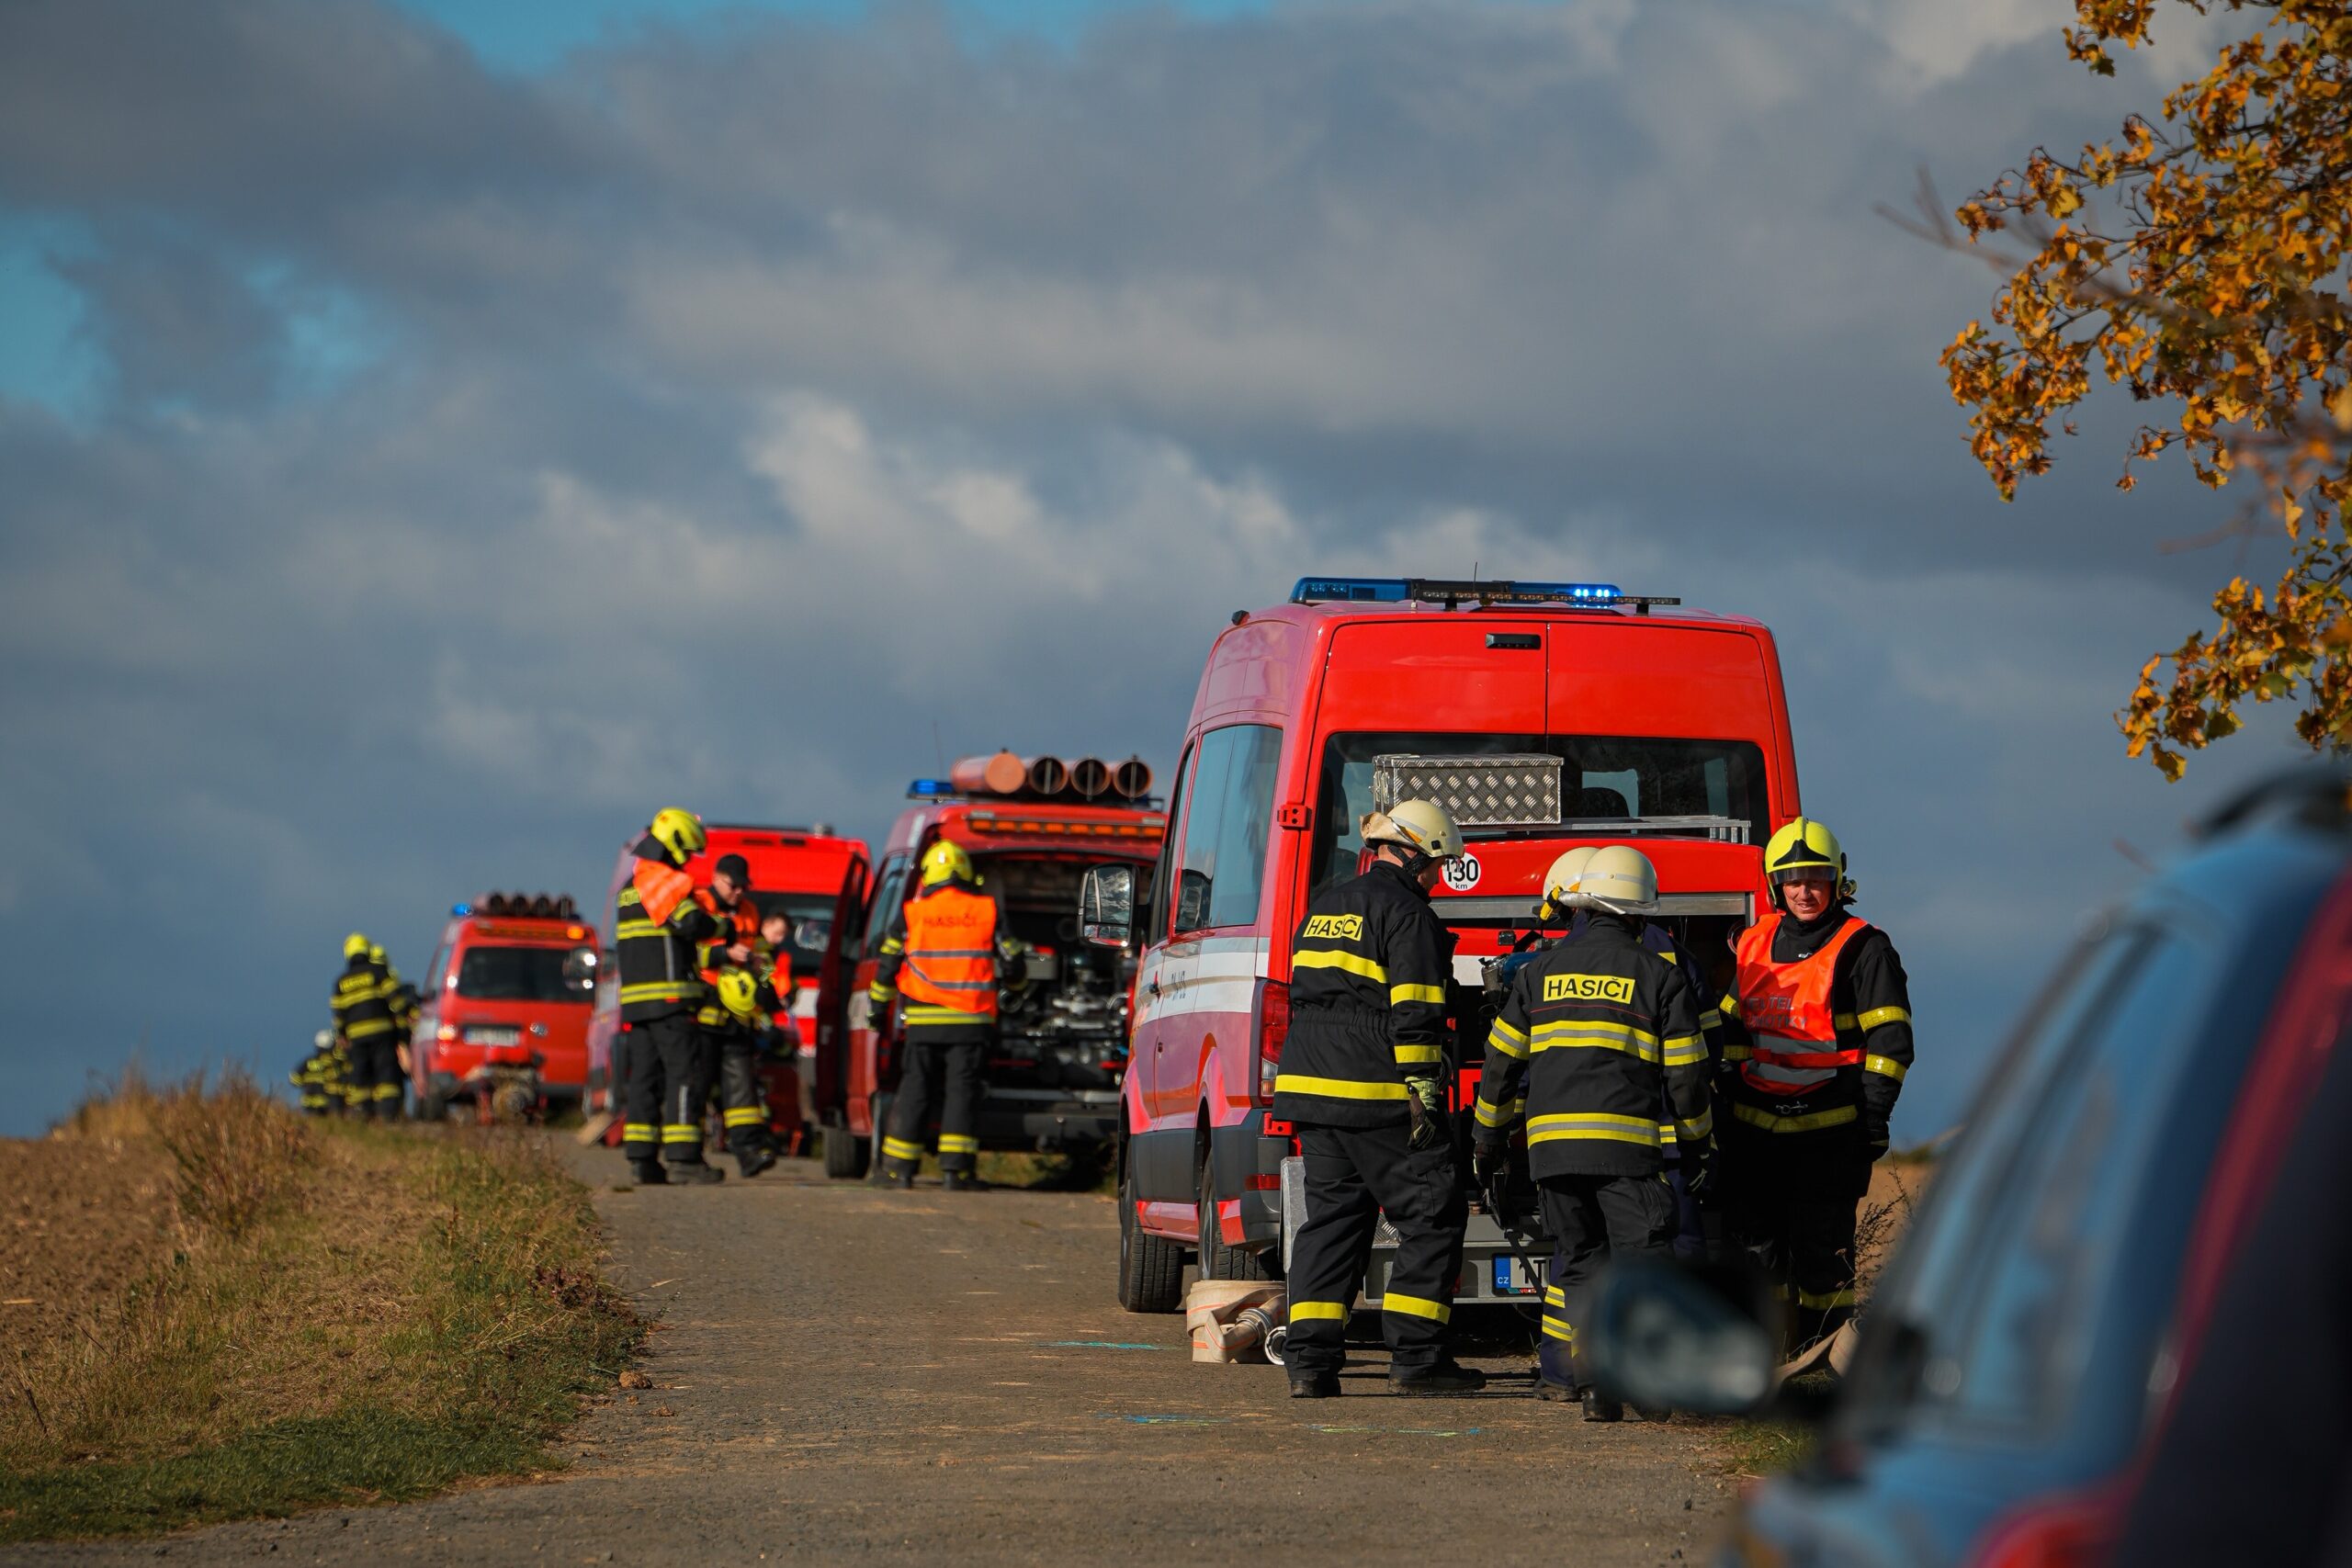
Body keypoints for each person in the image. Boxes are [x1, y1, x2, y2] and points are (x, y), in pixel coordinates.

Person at [1474, 845, 1714, 1419]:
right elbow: (1687, 1075)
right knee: (1642, 1264)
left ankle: (1581, 1382)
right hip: (1626, 1152)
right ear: (1639, 911)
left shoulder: (1536, 973)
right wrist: (1698, 1143)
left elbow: (1499, 1067)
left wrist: (1486, 1143)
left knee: (1578, 1263)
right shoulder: (1660, 975)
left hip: (1552, 1154)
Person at [1272, 800, 1484, 1399]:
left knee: (1333, 1220)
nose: (1436, 878)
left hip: (1311, 1087)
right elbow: (1416, 1012)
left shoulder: (1326, 905)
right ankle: (1418, 1357)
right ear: (1414, 854)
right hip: (1374, 1089)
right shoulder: (1406, 912)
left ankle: (1310, 1362)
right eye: (1435, 865)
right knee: (1432, 1211)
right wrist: (1423, 1094)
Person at [1717, 817, 1913, 1351]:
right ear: (1775, 884)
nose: (1805, 891)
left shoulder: (1865, 947)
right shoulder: (1754, 943)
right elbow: (1733, 1031)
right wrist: (1726, 1102)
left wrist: (1872, 1120)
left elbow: (1891, 1045)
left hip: (1830, 1134)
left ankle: (1822, 1359)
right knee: (1760, 1254)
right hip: (1756, 1135)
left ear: (1837, 880)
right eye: (1793, 880)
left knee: (1822, 1256)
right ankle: (1771, 1358)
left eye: (1816, 879)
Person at [868, 840, 1023, 1191]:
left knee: (915, 1090)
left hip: (923, 1021)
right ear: (966, 874)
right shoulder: (986, 909)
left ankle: (899, 1171)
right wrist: (1016, 984)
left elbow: (887, 966)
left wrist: (878, 1010)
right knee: (961, 1092)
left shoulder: (913, 912)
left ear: (928, 875)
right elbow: (1013, 959)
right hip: (971, 1020)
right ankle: (956, 1173)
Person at [616, 807, 727, 1185]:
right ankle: (684, 1159)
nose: (688, 861)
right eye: (688, 852)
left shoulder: (629, 887)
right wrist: (720, 924)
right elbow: (689, 923)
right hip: (669, 1000)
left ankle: (643, 1159)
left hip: (638, 1003)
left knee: (645, 1079)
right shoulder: (660, 880)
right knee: (686, 1075)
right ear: (676, 843)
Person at [696, 853, 777, 1179]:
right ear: (716, 877)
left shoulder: (750, 911)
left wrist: (760, 967)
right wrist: (722, 954)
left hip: (738, 1012)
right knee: (696, 1086)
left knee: (742, 1088)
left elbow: (762, 952)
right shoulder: (699, 904)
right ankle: (688, 1156)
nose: (739, 892)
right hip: (703, 1011)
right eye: (733, 886)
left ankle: (748, 1154)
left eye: (744, 887)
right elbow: (686, 951)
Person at [331, 932, 401, 1121]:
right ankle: (387, 1114)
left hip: (356, 1036)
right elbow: (395, 999)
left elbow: (338, 1015)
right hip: (382, 1031)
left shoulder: (341, 982)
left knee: (360, 1074)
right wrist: (402, 1022)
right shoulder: (378, 972)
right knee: (385, 1071)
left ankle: (363, 1113)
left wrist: (341, 1035)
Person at [372, 942, 417, 1121]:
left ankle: (389, 1112)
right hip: (394, 1039)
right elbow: (403, 1010)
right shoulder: (387, 980)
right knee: (392, 1078)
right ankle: (393, 1112)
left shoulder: (375, 980)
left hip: (390, 1039)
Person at [290, 1029, 339, 1116]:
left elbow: (294, 1079)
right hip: (328, 1105)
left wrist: (306, 1083)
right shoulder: (334, 1063)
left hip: (309, 1105)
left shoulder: (308, 1062)